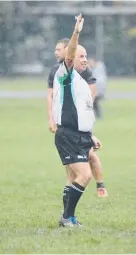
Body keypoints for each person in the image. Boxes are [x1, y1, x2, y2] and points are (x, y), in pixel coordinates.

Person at [52, 14, 102, 227]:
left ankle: (69, 217)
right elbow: (70, 54)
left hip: (81, 135)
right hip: (68, 134)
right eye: (81, 56)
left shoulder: (80, 81)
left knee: (74, 178)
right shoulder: (66, 74)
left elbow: (83, 111)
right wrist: (76, 32)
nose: (84, 59)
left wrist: (91, 135)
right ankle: (66, 218)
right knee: (84, 176)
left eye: (86, 56)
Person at [47, 38, 108, 198]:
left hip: (79, 126)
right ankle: (67, 214)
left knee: (89, 161)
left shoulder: (84, 70)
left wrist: (88, 130)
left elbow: (90, 94)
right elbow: (51, 96)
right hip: (68, 128)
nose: (56, 52)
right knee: (79, 173)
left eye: (59, 49)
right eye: (57, 49)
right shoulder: (59, 71)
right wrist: (51, 118)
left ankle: (100, 186)